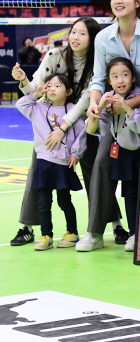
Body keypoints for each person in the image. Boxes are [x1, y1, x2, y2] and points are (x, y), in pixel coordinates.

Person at [9, 17, 100, 247]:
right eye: (73, 32)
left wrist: (64, 127)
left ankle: (112, 223)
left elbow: (85, 100)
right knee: (37, 175)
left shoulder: (97, 62)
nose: (75, 37)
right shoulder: (54, 56)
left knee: (97, 172)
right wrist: (23, 83)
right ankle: (28, 227)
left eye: (82, 34)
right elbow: (37, 91)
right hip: (51, 128)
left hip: (81, 122)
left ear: (93, 38)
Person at [77, 0, 140, 252]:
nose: (117, 1)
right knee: (101, 165)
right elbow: (98, 79)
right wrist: (95, 104)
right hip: (115, 119)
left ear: (138, 2)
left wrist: (129, 104)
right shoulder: (103, 37)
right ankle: (94, 232)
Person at [16, 75, 86, 251]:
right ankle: (46, 235)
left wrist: (76, 154)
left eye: (58, 86)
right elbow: (21, 105)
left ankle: (72, 232)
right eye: (50, 86)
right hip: (44, 162)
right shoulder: (38, 108)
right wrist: (36, 94)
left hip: (63, 163)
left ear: (68, 91)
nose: (53, 89)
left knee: (64, 201)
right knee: (43, 202)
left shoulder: (73, 111)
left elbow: (81, 133)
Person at [85, 57, 140, 252]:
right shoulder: (107, 98)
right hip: (119, 150)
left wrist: (127, 108)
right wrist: (99, 108)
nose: (121, 80)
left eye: (125, 75)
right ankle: (127, 233)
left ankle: (137, 233)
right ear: (109, 81)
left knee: (135, 193)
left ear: (133, 77)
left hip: (137, 151)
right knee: (124, 191)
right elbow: (93, 129)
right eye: (115, 76)